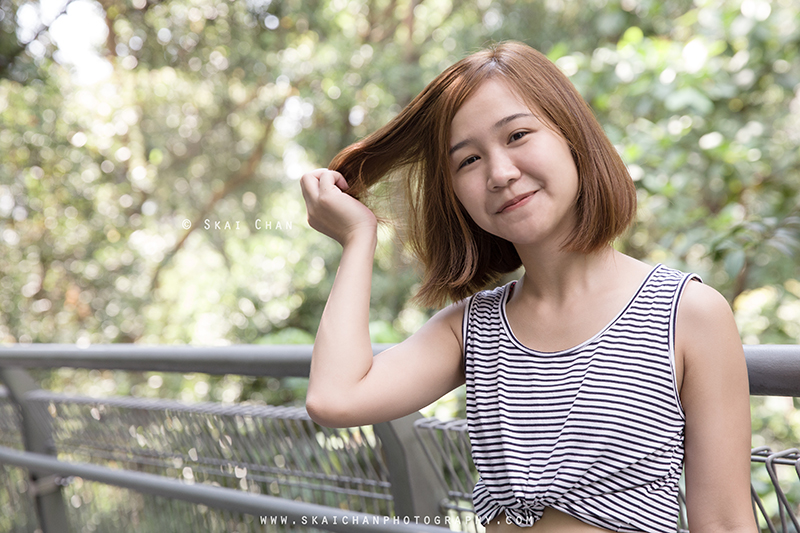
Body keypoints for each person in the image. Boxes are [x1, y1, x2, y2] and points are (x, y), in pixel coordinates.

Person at [299, 41, 756, 533]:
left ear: (572, 137)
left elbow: (726, 522)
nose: (500, 173)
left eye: (517, 134)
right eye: (468, 161)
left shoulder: (688, 313)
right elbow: (335, 398)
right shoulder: (473, 328)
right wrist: (357, 237)